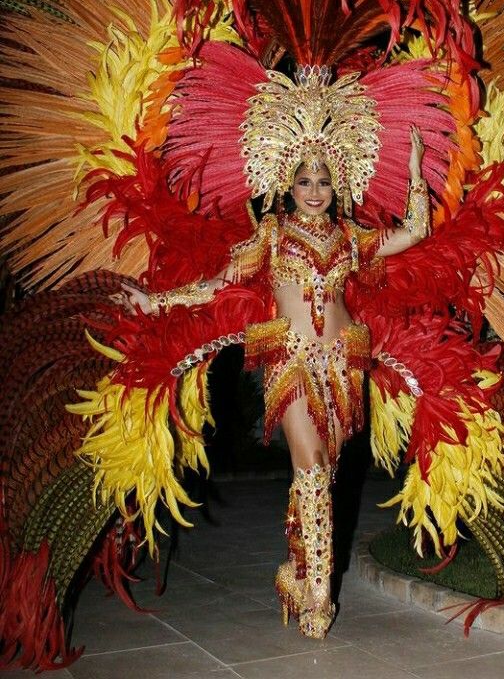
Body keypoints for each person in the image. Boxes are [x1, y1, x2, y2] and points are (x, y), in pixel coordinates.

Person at [118, 121, 430, 638]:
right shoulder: (272, 236)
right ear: (287, 183)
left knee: (326, 474)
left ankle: (299, 567)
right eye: (304, 181)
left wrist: (415, 169)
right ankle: (319, 599)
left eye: (323, 181)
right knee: (309, 469)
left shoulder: (350, 238)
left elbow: (415, 230)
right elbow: (222, 283)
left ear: (338, 186)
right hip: (292, 363)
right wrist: (157, 302)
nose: (313, 192)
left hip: (343, 365)